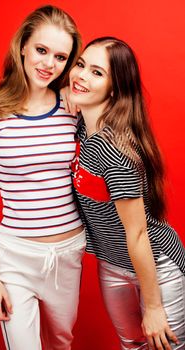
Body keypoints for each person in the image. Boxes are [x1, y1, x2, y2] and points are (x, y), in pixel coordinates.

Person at [0, 5, 85, 350]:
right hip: (15, 255)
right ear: (23, 47)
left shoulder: (72, 106)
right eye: (42, 50)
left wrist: (82, 101)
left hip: (69, 252)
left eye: (61, 57)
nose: (49, 64)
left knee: (62, 342)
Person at [67, 37, 185, 349]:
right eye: (80, 65)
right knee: (131, 345)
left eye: (97, 72)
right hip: (112, 264)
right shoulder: (82, 128)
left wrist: (155, 306)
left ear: (115, 88)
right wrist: (67, 91)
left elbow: (137, 235)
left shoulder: (114, 151)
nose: (81, 75)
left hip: (157, 267)